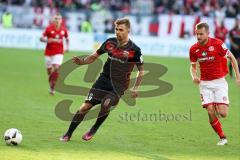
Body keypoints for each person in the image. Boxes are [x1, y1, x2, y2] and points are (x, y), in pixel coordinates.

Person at [60, 18, 144, 142]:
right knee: (84, 107)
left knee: (106, 104)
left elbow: (141, 70)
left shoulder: (135, 50)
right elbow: (95, 55)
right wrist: (82, 62)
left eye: (121, 30)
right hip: (103, 80)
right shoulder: (110, 43)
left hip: (119, 85)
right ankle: (68, 134)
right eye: (116, 29)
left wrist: (136, 87)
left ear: (128, 30)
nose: (118, 32)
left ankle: (94, 128)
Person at [189, 22, 240, 146]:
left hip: (219, 83)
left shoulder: (218, 44)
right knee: (210, 111)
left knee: (223, 113)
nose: (198, 37)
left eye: (201, 34)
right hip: (205, 84)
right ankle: (222, 137)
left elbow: (232, 58)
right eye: (197, 34)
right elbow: (192, 67)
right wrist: (194, 76)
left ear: (207, 33)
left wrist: (238, 77)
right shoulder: (193, 49)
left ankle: (217, 105)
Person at [40, 13, 69, 95]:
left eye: (59, 19)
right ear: (53, 20)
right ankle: (51, 87)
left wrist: (67, 47)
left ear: (61, 20)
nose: (57, 20)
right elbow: (41, 38)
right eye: (56, 19)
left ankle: (53, 87)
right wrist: (47, 40)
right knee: (49, 72)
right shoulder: (49, 28)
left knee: (56, 68)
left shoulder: (64, 29)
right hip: (48, 53)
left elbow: (67, 38)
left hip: (59, 52)